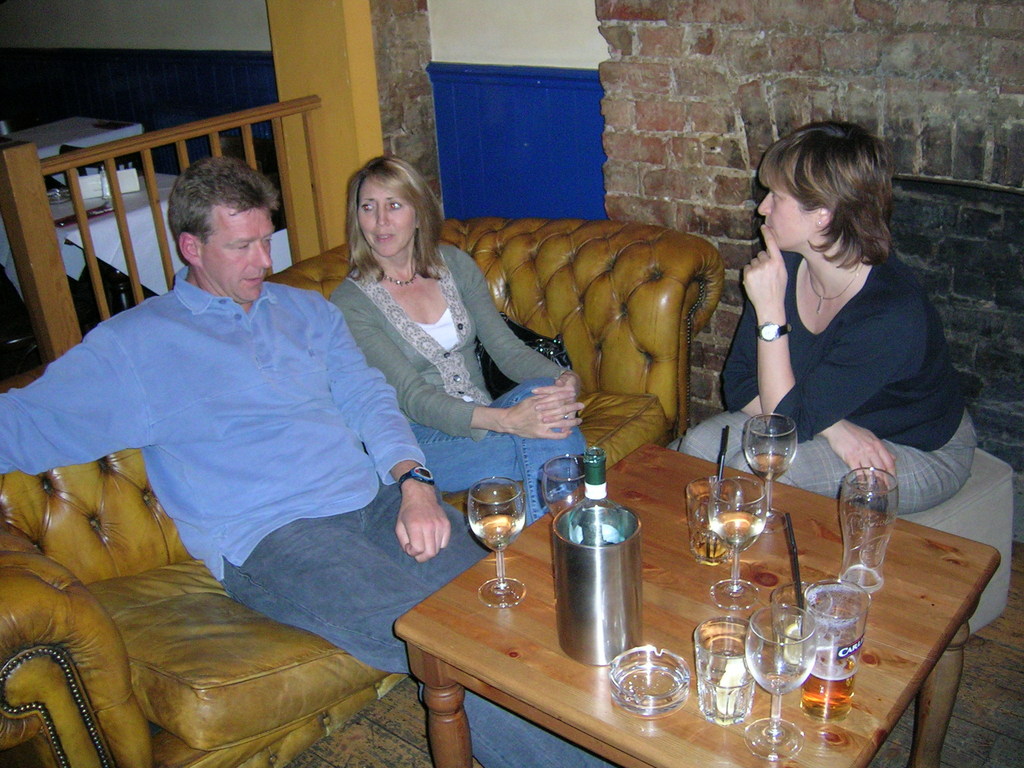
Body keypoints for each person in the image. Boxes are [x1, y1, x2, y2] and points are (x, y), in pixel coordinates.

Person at [0, 156, 610, 768]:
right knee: (440, 643)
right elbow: (20, 425)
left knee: (502, 601)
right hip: (277, 537)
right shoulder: (135, 345)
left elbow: (371, 401)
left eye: (266, 241)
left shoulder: (308, 313)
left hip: (376, 502)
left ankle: (622, 727)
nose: (263, 262)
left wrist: (415, 483)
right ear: (191, 248)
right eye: (241, 247)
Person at [672, 121, 975, 513]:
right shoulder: (785, 266)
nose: (762, 208)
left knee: (767, 471)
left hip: (916, 446)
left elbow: (784, 424)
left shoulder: (891, 313)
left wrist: (770, 313)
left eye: (777, 197)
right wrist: (836, 429)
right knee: (695, 448)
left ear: (822, 214)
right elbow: (740, 384)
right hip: (822, 416)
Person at [330, 155, 586, 524]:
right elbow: (413, 397)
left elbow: (506, 350)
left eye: (394, 205)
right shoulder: (351, 301)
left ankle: (557, 542)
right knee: (555, 435)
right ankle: (570, 538)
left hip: (485, 417)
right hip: (419, 441)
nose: (380, 221)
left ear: (419, 212)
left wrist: (564, 379)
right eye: (368, 207)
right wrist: (507, 421)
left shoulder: (454, 264)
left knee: (545, 402)